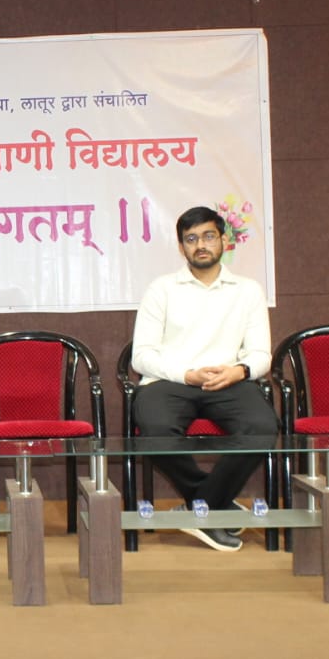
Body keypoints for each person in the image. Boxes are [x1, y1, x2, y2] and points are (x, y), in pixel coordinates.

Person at [130, 205, 276, 552]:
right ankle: (212, 504)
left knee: (262, 427)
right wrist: (187, 375)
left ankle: (201, 508)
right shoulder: (161, 289)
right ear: (181, 247)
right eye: (191, 239)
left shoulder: (248, 290)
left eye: (209, 236)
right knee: (155, 431)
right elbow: (142, 356)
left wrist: (238, 371)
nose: (201, 245)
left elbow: (260, 355)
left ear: (224, 240)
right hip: (170, 381)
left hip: (230, 380)